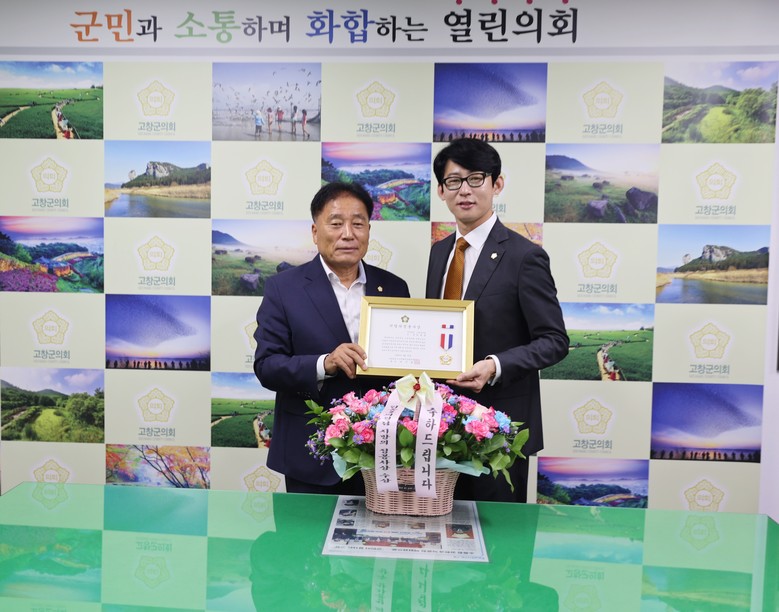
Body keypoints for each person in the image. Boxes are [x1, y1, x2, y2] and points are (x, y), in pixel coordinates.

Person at [425, 138, 569, 503]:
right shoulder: (439, 253)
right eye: (454, 181)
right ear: (441, 191)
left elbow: (554, 340)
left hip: (500, 431)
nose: (465, 190)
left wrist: (495, 365)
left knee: (500, 535)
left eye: (476, 179)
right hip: (441, 427)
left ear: (497, 184)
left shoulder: (525, 257)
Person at [254, 181, 410, 495]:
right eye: (336, 223)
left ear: (369, 231)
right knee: (305, 530)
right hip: (311, 452)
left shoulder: (394, 287)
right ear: (315, 232)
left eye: (358, 224)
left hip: (381, 455)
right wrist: (324, 363)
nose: (348, 234)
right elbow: (267, 366)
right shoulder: (284, 289)